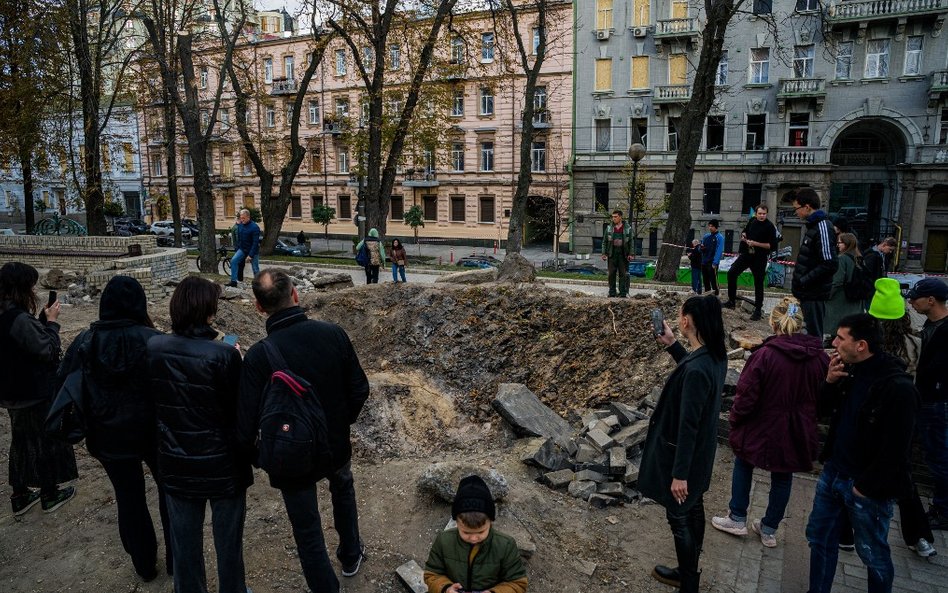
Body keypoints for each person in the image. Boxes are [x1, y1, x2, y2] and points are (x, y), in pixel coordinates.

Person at [239, 269, 370, 592]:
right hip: (334, 443)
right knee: (343, 490)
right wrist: (340, 422)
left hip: (289, 452)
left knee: (306, 527)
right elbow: (359, 388)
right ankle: (351, 554)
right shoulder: (333, 334)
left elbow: (245, 421)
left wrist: (261, 456)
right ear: (295, 294)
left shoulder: (258, 356)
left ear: (258, 307)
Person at [57, 276, 172, 580]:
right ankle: (177, 558)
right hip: (154, 432)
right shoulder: (155, 341)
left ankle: (144, 565)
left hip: (107, 433)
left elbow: (63, 382)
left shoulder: (85, 340)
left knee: (128, 497)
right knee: (169, 492)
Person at [147, 277, 252, 593]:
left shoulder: (153, 347)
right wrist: (237, 360)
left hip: (176, 463)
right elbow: (238, 410)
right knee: (228, 543)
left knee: (185, 544)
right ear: (207, 309)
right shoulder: (224, 355)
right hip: (223, 465)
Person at [805, 313, 918, 593]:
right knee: (820, 539)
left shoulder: (898, 388)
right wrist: (829, 382)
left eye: (841, 338)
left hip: (867, 488)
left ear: (861, 345)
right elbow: (821, 412)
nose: (833, 343)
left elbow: (898, 449)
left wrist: (864, 488)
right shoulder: (848, 371)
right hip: (834, 472)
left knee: (873, 554)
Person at [712, 297, 828, 548]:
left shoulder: (764, 355)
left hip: (761, 424)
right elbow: (823, 394)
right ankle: (769, 528)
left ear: (773, 323)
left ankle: (737, 517)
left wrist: (736, 418)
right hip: (797, 427)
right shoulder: (819, 357)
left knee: (743, 464)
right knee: (783, 476)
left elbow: (746, 394)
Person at [641, 295, 727, 593]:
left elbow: (687, 425)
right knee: (694, 507)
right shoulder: (715, 355)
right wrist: (672, 344)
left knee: (679, 517)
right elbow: (695, 376)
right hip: (702, 455)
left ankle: (688, 582)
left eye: (680, 315)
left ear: (687, 321)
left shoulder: (697, 369)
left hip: (685, 459)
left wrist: (679, 474)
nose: (678, 318)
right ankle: (688, 570)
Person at [0, 262, 77, 516]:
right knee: (46, 442)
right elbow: (47, 350)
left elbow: (24, 344)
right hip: (33, 391)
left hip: (12, 392)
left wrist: (41, 322)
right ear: (23, 288)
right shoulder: (19, 319)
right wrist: (52, 324)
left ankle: (20, 495)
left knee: (21, 442)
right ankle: (49, 494)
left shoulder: (7, 314)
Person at [866, 278, 936, 558]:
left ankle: (846, 533)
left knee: (854, 473)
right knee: (903, 475)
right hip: (905, 419)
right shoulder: (917, 342)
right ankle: (918, 536)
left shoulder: (870, 344)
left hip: (874, 417)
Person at [423, 475, 528, 593]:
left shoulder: (505, 545)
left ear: (491, 521)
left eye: (481, 532)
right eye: (466, 532)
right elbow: (431, 574)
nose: (473, 538)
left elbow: (518, 583)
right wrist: (446, 588)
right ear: (456, 522)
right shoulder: (444, 540)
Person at [908, 278, 948, 531]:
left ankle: (943, 510)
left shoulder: (945, 331)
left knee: (938, 457)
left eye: (916, 298)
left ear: (931, 300)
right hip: (928, 399)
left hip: (936, 402)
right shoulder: (931, 326)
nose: (911, 302)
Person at [790, 188, 838, 338]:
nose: (795, 213)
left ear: (807, 207)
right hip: (807, 293)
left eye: (796, 208)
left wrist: (804, 281)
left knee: (813, 335)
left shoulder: (823, 226)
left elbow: (830, 263)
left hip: (814, 293)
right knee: (806, 333)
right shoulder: (813, 226)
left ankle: (817, 360)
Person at [723, 205, 778, 320]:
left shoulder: (770, 227)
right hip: (747, 254)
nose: (762, 216)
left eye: (764, 214)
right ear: (756, 214)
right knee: (732, 273)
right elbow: (745, 231)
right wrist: (744, 235)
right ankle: (731, 301)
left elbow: (771, 245)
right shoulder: (752, 221)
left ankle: (758, 310)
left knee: (758, 283)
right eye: (760, 213)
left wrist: (755, 243)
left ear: (766, 214)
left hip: (760, 257)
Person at [822, 233, 864, 346]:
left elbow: (837, 280)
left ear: (846, 244)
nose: (837, 245)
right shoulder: (858, 258)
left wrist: (828, 294)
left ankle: (835, 339)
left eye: (839, 243)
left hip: (840, 297)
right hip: (855, 296)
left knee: (836, 320)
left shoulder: (842, 259)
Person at [600, 210, 633, 298]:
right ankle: (612, 292)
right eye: (613, 217)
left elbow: (631, 242)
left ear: (620, 217)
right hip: (612, 253)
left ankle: (622, 292)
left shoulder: (627, 228)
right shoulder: (609, 228)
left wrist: (631, 253)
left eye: (615, 217)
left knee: (623, 274)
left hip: (623, 254)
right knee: (611, 274)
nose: (613, 218)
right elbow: (604, 241)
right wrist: (604, 253)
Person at [228, 209, 260, 287]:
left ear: (248, 217)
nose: (242, 220)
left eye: (243, 218)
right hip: (242, 249)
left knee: (255, 268)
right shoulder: (241, 225)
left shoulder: (255, 227)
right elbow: (239, 238)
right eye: (241, 218)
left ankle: (258, 284)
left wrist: (250, 255)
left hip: (253, 251)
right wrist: (238, 248)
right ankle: (233, 281)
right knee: (233, 261)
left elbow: (255, 243)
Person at [700, 220, 723, 296]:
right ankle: (707, 296)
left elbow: (719, 250)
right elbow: (702, 247)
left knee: (713, 281)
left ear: (716, 227)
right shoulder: (706, 236)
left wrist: (715, 262)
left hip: (712, 262)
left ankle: (716, 296)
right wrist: (701, 248)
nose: (710, 227)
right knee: (705, 280)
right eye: (709, 226)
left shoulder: (719, 237)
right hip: (704, 262)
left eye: (712, 226)